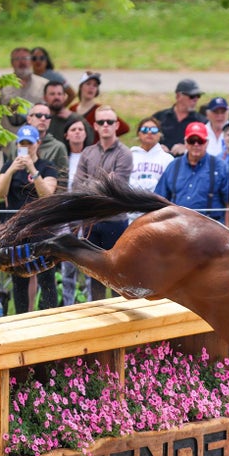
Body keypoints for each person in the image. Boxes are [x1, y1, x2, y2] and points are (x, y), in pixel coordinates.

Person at [0, 124, 59, 314]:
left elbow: (47, 196)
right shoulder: (9, 166)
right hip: (16, 230)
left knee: (46, 276)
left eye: (29, 144)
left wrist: (32, 169)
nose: (26, 147)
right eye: (22, 144)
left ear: (37, 144)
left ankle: (48, 317)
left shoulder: (46, 167)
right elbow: (0, 193)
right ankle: (21, 318)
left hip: (41, 228)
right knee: (19, 278)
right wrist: (10, 171)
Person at [74, 106, 134, 300]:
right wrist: (104, 181)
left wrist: (91, 184)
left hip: (115, 221)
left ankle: (120, 315)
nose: (105, 125)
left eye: (109, 122)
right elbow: (76, 186)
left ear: (117, 125)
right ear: (95, 126)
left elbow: (117, 186)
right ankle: (99, 314)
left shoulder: (124, 153)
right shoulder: (88, 152)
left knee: (118, 272)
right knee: (95, 274)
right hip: (91, 221)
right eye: (101, 122)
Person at [155, 122, 229, 222]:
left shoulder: (220, 166)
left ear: (207, 142)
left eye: (200, 141)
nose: (196, 144)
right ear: (185, 142)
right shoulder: (173, 166)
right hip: (178, 225)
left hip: (211, 228)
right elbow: (159, 199)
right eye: (192, 141)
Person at [59, 117, 90, 306]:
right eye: (73, 129)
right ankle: (68, 304)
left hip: (85, 214)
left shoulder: (92, 155)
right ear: (66, 135)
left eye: (81, 129)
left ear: (86, 134)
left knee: (87, 261)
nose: (77, 132)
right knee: (67, 264)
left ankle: (89, 303)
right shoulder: (63, 158)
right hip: (64, 215)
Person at [0, 47, 49, 135]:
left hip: (37, 139)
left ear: (31, 61)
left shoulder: (44, 84)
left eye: (25, 58)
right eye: (17, 59)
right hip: (9, 140)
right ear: (12, 63)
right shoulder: (2, 85)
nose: (22, 62)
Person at [69, 71, 130, 142]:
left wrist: (104, 138)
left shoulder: (101, 111)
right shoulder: (72, 109)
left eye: (95, 85)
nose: (91, 87)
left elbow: (124, 128)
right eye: (88, 84)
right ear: (81, 86)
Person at [153, 78, 207, 156]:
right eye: (192, 96)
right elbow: (147, 139)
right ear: (178, 96)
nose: (195, 99)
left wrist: (187, 148)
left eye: (198, 96)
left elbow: (207, 146)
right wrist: (157, 148)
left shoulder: (202, 122)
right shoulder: (159, 117)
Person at [129, 116, 174, 198]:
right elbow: (125, 184)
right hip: (133, 204)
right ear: (139, 134)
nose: (149, 132)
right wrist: (153, 183)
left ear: (159, 134)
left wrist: (138, 185)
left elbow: (168, 186)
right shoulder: (129, 157)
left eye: (153, 130)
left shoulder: (168, 159)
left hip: (159, 205)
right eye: (145, 130)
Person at [45, 81, 94, 150]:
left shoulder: (76, 119)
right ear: (45, 97)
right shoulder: (41, 118)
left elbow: (89, 140)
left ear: (64, 96)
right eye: (52, 94)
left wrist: (72, 118)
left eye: (59, 94)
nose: (56, 97)